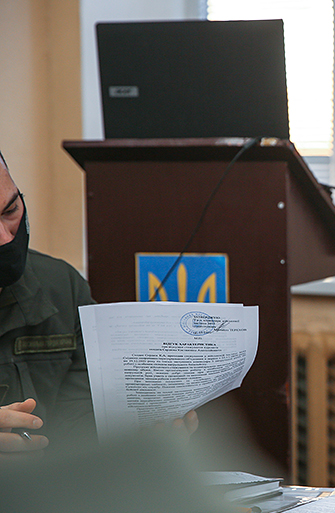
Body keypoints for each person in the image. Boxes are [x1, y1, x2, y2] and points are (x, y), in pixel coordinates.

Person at [0, 149, 198, 461]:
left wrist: (143, 441)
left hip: (52, 487)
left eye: (10, 210)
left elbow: (81, 428)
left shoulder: (61, 287)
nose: (5, 238)